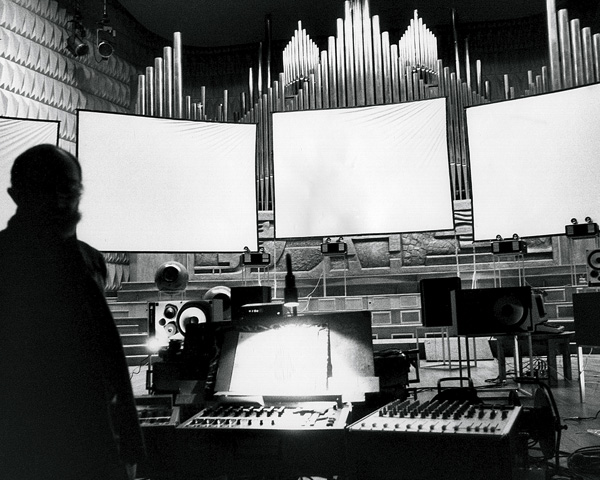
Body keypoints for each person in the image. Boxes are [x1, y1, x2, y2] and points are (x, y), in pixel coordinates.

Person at [0, 144, 145, 480]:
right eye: (46, 189)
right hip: (22, 443)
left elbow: (110, 357)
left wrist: (129, 443)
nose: (60, 201)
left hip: (95, 440)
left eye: (69, 189)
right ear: (16, 195)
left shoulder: (91, 260)